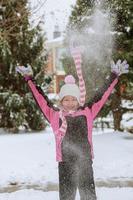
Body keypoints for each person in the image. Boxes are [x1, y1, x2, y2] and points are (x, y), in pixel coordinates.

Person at [16, 51, 129, 200]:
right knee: (67, 197)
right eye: (66, 100)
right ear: (61, 101)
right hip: (65, 163)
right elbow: (41, 99)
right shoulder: (55, 115)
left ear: (78, 100)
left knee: (88, 196)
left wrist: (114, 76)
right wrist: (29, 79)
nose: (70, 103)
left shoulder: (87, 111)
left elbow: (102, 95)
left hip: (85, 161)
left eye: (73, 99)